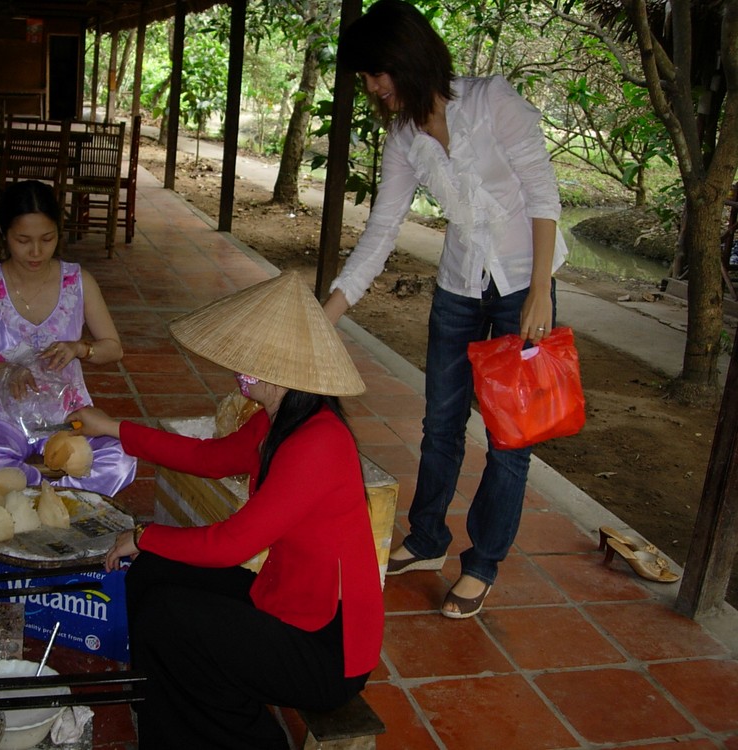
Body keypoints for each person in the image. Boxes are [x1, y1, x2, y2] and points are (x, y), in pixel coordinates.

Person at [323, 0, 568, 619]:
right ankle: (428, 537)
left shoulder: (491, 102)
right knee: (440, 423)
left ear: (408, 57)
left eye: (379, 73)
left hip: (522, 285)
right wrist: (332, 309)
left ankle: (483, 562)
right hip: (460, 284)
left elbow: (542, 191)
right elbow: (381, 229)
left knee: (511, 437)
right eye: (368, 78)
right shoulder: (403, 138)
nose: (376, 87)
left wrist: (540, 289)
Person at [72, 272, 384, 749]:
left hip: (327, 648)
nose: (238, 366)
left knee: (169, 615)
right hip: (285, 600)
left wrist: (142, 534)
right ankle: (169, 711)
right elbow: (207, 459)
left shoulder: (319, 441)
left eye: (250, 357)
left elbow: (232, 544)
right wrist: (113, 428)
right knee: (152, 575)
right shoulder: (279, 418)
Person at [0, 179, 136, 495]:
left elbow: (113, 349)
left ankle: (40, 497)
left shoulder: (78, 282)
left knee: (120, 460)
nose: (36, 252)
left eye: (47, 239)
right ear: (3, 233)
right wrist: (4, 371)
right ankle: (58, 496)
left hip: (68, 413)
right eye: (23, 240)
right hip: (2, 413)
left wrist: (80, 348)